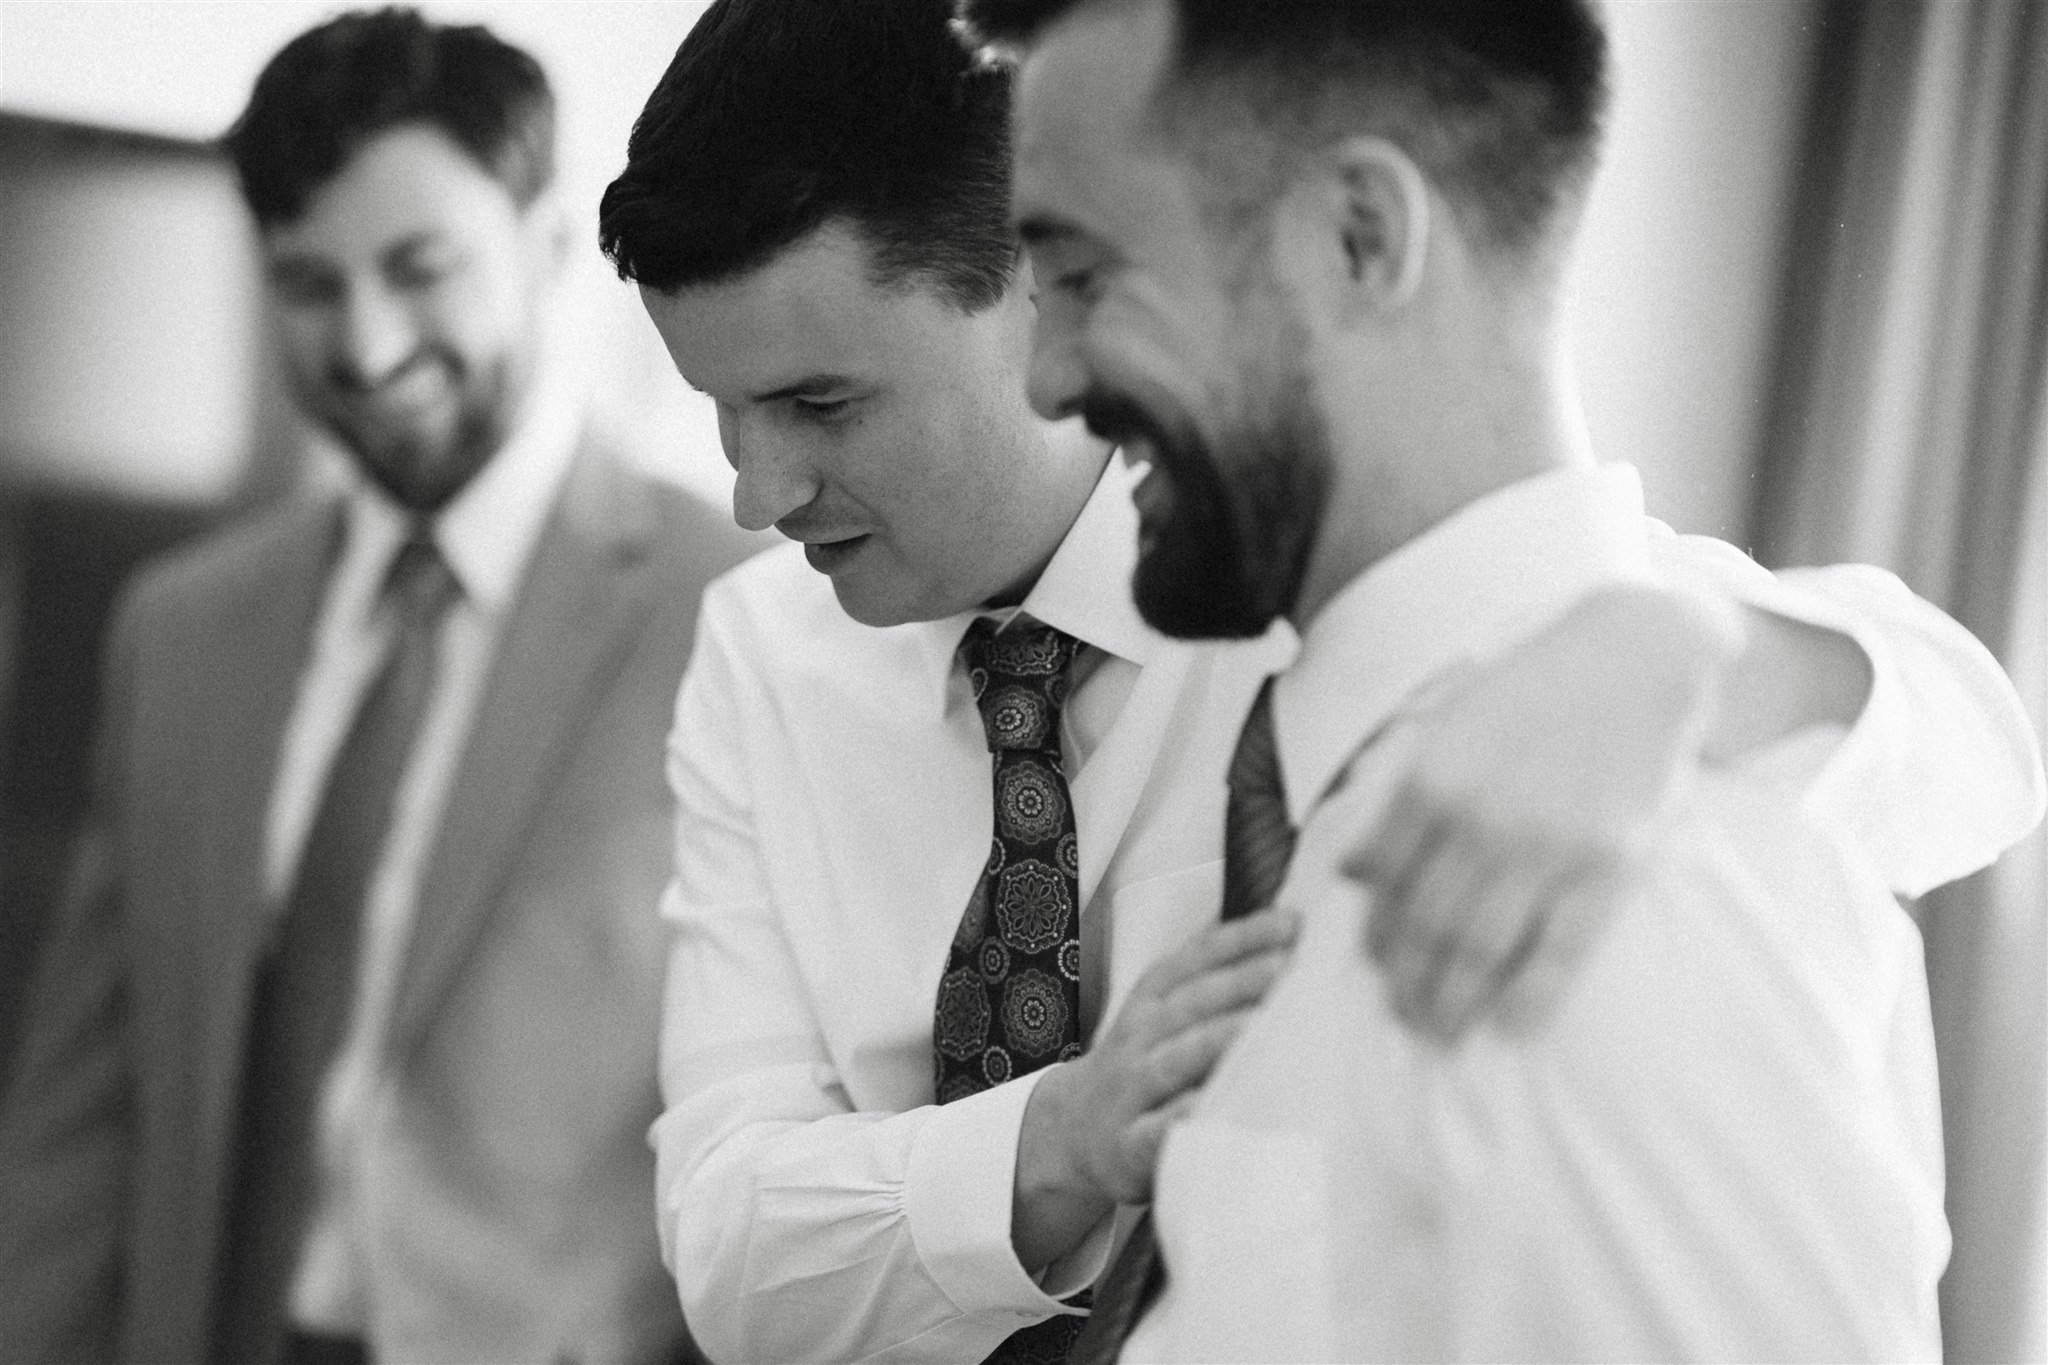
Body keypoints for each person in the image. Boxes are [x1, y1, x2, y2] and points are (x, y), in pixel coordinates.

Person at [599, 2, 2042, 1360]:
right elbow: (729, 1235)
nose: (753, 490)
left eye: (822, 401)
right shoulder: (775, 653)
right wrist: (1060, 1141)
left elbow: (1962, 731)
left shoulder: (1571, 790)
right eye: (723, 411)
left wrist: (1697, 651)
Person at [0, 10, 760, 1364]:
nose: (365, 344)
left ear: (541, 250)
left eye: (420, 268)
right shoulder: (177, 631)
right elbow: (84, 1107)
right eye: (307, 283)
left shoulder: (740, 612)